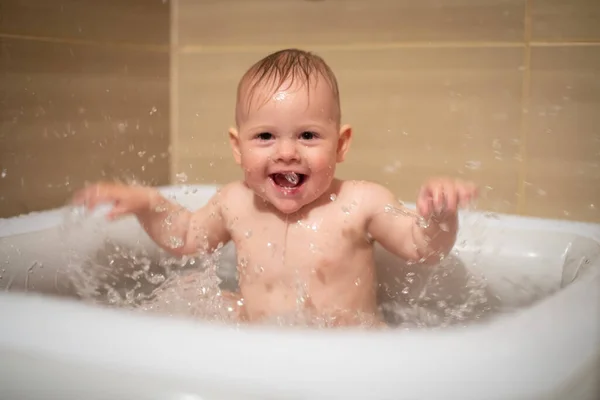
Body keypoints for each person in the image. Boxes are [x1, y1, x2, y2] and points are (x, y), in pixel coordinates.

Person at [73, 48, 478, 328]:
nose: (287, 152)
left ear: (341, 144)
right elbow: (187, 238)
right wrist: (148, 203)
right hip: (259, 355)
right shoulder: (235, 202)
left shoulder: (360, 202)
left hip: (349, 360)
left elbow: (423, 249)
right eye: (265, 136)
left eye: (307, 135)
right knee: (216, 305)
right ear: (238, 146)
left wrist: (440, 216)